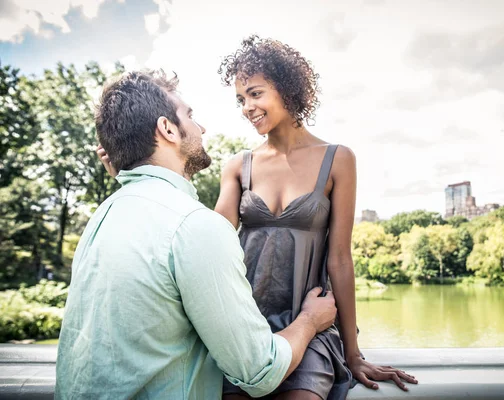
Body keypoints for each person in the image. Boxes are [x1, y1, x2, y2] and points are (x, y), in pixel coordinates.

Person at [57, 69, 338, 399]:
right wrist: (309, 320)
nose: (201, 127)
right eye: (189, 115)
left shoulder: (103, 216)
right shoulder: (193, 226)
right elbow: (259, 370)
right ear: (168, 129)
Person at [215, 36, 418, 399]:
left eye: (255, 94)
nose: (247, 107)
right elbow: (209, 244)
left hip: (312, 327)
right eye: (240, 100)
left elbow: (340, 258)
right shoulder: (237, 167)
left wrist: (354, 354)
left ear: (287, 89)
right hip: (246, 329)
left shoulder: (338, 159)